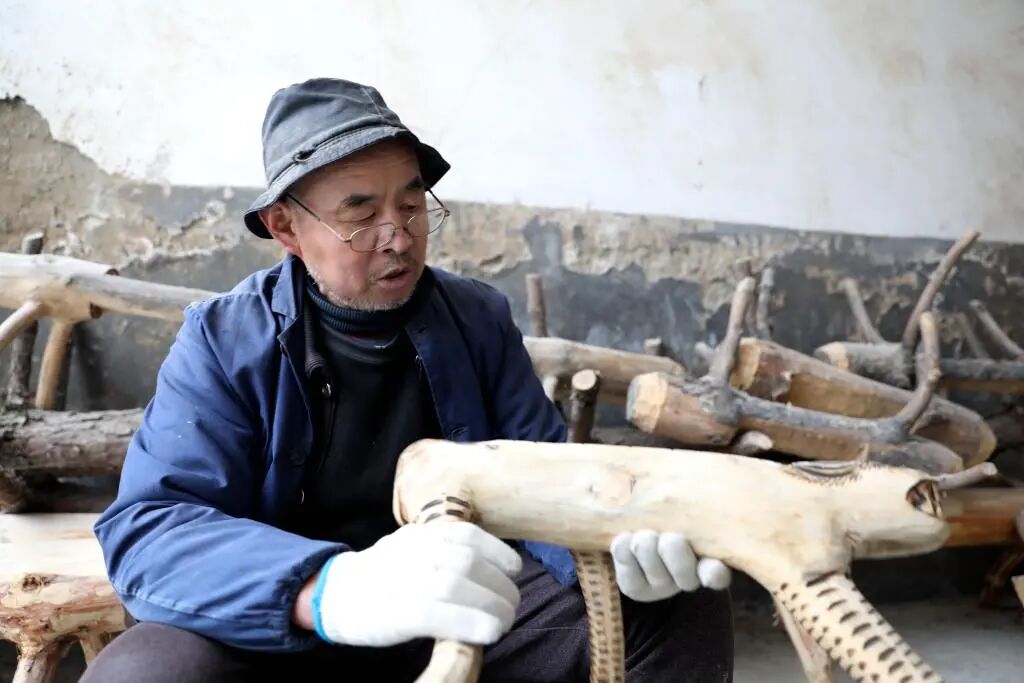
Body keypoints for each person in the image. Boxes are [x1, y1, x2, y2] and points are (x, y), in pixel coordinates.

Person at [83, 78, 734, 682]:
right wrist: (330, 589)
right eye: (360, 212)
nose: (398, 237)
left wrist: (610, 547)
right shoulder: (223, 341)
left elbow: (546, 476)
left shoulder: (477, 318)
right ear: (286, 227)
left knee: (675, 604)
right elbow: (151, 527)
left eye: (412, 201)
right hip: (290, 627)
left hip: (451, 609)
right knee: (144, 672)